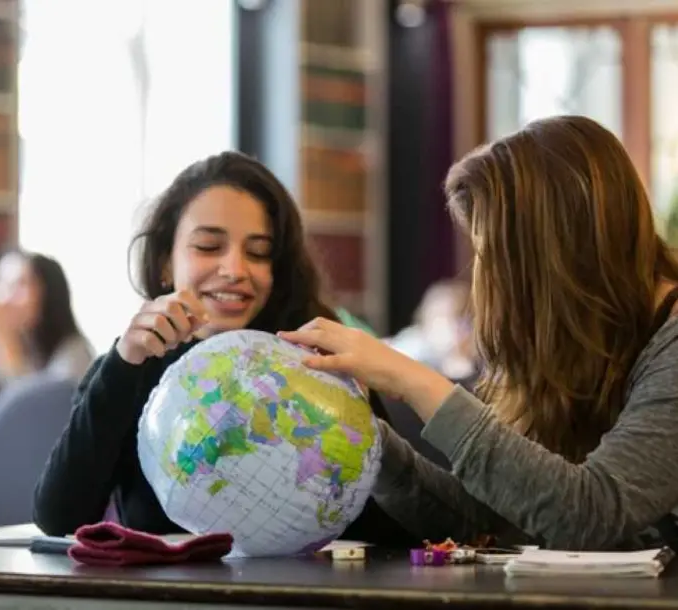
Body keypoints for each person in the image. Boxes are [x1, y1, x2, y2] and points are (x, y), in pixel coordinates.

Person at [280, 115, 678, 551]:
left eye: (494, 256)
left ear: (559, 252)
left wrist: (413, 380)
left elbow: (595, 514)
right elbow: (489, 521)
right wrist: (363, 435)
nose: (485, 279)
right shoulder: (578, 344)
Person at [33, 151, 414, 545]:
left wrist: (356, 420)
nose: (234, 269)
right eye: (209, 246)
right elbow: (59, 517)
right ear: (165, 262)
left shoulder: (321, 364)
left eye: (259, 252)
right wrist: (123, 365)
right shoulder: (131, 368)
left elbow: (396, 533)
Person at [0, 250, 94, 384]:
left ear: (48, 294)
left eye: (20, 285)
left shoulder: (74, 355)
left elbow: (38, 402)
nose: (4, 297)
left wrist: (9, 347)